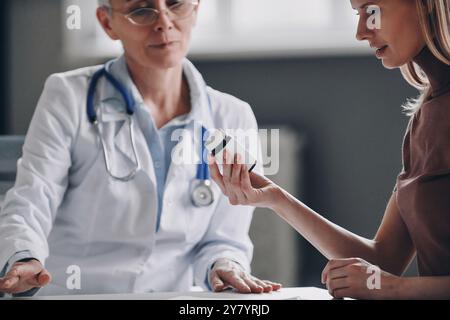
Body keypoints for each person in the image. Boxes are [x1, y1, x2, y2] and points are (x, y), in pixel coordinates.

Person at [0, 0, 281, 296]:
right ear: (108, 23)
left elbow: (225, 239)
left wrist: (225, 265)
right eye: (141, 10)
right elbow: (32, 200)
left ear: (196, 9)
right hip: (75, 294)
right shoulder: (68, 96)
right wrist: (24, 256)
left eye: (176, 4)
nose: (163, 21)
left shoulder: (233, 116)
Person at [209, 0, 450, 299]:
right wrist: (276, 198)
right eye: (357, 14)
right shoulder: (423, 119)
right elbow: (384, 259)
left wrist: (392, 288)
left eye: (372, 11)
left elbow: (387, 278)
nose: (361, 32)